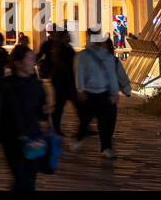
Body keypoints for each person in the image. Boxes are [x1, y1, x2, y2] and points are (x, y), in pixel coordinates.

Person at [0, 43, 49, 191]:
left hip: (33, 138)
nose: (32, 63)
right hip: (12, 140)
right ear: (18, 63)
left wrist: (46, 113)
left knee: (29, 180)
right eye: (29, 59)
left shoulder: (37, 85)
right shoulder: (4, 85)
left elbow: (41, 112)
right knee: (22, 178)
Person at [72, 26, 128, 159]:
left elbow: (111, 76)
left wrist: (114, 93)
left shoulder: (108, 57)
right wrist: (80, 89)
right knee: (85, 120)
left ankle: (106, 147)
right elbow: (79, 73)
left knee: (106, 123)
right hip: (89, 93)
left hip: (104, 93)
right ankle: (80, 137)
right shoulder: (84, 56)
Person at [39, 30, 77, 136]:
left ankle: (84, 125)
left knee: (76, 103)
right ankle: (56, 128)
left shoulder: (67, 47)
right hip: (61, 80)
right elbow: (58, 63)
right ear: (64, 37)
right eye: (68, 36)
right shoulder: (59, 48)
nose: (70, 37)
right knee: (60, 105)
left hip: (68, 80)